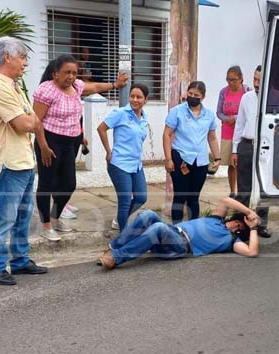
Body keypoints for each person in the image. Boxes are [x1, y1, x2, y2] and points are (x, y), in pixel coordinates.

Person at [33, 55, 128, 241]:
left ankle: (55, 217)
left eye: (74, 73)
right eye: (67, 72)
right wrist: (43, 146)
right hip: (50, 141)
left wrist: (115, 85)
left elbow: (94, 87)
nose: (71, 76)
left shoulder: (76, 86)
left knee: (69, 184)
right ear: (55, 74)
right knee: (47, 183)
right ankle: (46, 226)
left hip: (71, 141)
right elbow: (36, 121)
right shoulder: (46, 90)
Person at [0, 37, 49, 285]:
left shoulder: (13, 86)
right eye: (22, 57)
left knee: (22, 216)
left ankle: (20, 261)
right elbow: (24, 124)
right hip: (10, 163)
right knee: (4, 218)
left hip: (23, 161)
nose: (25, 63)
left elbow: (34, 121)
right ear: (7, 57)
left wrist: (31, 120)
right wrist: (30, 120)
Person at [98, 196, 260, 269]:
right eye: (237, 221)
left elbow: (252, 252)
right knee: (148, 214)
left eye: (239, 227)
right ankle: (112, 249)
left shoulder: (231, 240)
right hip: (173, 232)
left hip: (180, 246)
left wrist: (252, 227)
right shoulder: (216, 219)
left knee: (158, 228)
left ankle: (117, 258)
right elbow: (226, 200)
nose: (235, 226)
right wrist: (249, 212)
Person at [163, 81, 221, 224]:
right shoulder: (177, 111)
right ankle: (176, 229)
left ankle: (193, 229)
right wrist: (168, 159)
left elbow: (212, 137)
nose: (192, 97)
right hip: (180, 158)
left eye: (196, 95)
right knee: (180, 196)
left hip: (200, 161)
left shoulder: (209, 115)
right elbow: (166, 135)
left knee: (194, 197)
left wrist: (217, 158)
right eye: (190, 94)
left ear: (203, 97)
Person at [97, 83, 150, 230]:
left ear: (145, 100)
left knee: (141, 197)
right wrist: (108, 151)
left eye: (139, 97)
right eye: (132, 96)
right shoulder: (121, 113)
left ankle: (120, 219)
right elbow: (101, 128)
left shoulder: (144, 118)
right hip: (119, 163)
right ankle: (123, 236)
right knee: (125, 200)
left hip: (136, 164)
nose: (134, 100)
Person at [232, 65, 271, 239]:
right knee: (244, 187)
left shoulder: (275, 98)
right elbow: (239, 125)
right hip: (247, 145)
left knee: (263, 186)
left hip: (266, 146)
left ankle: (261, 225)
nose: (256, 83)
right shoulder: (246, 98)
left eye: (260, 80)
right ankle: (240, 223)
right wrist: (235, 150)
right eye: (254, 79)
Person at [216, 66, 252, 196]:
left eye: (234, 80)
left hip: (243, 132)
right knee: (231, 164)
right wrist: (226, 119)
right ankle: (233, 191)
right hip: (227, 131)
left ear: (241, 78)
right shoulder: (223, 92)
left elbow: (250, 112)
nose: (231, 83)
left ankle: (244, 190)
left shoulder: (247, 91)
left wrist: (236, 118)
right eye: (228, 80)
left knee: (242, 164)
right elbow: (219, 112)